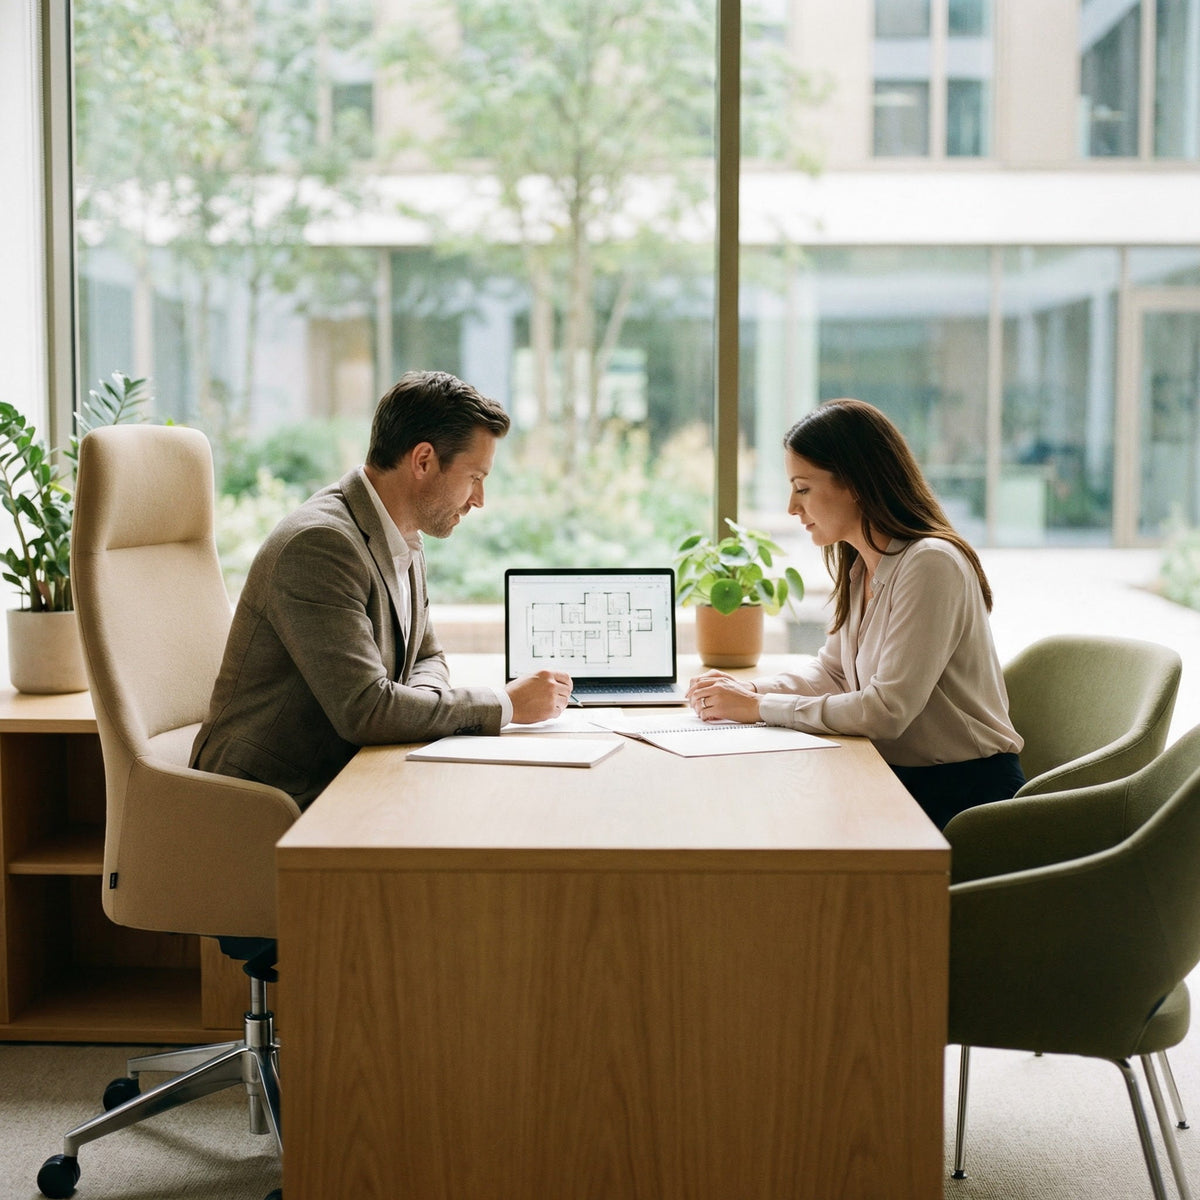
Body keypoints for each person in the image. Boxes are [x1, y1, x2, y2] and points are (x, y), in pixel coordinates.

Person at [191, 370, 572, 809]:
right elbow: (367, 709)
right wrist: (504, 704)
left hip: (354, 769)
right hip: (275, 796)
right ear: (424, 460)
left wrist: (414, 707)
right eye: (474, 477)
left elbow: (427, 657)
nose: (479, 499)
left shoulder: (401, 533)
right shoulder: (320, 545)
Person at [685, 397, 1024, 829]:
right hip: (896, 777)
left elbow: (886, 711)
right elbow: (834, 674)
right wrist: (746, 690)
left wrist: (759, 707)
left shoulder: (930, 563)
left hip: (963, 798)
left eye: (803, 488)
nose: (792, 507)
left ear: (857, 483)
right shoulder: (862, 565)